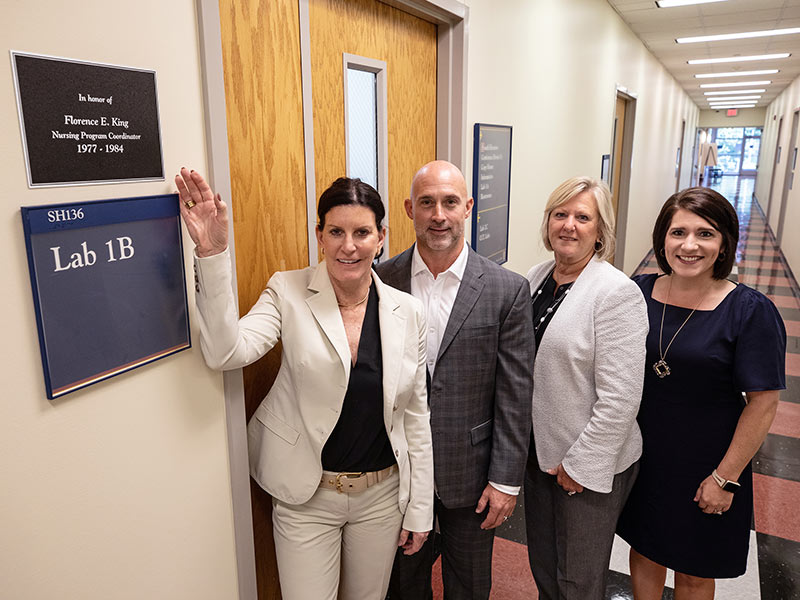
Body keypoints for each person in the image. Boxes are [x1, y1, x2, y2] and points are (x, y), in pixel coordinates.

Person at [174, 168, 433, 600]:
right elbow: (225, 353)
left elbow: (416, 415)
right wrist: (213, 253)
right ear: (320, 235)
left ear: (381, 236)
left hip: (382, 497)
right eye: (336, 231)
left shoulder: (407, 311)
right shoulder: (287, 291)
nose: (348, 246)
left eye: (362, 232)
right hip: (308, 496)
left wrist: (420, 507)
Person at [375, 160, 534, 599]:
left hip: (473, 473)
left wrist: (505, 480)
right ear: (409, 209)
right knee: (404, 583)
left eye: (449, 203)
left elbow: (515, 395)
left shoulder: (507, 289)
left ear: (468, 207)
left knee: (468, 583)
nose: (438, 215)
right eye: (427, 203)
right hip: (400, 471)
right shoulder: (381, 281)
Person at [617, 187, 786, 600]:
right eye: (678, 232)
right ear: (662, 239)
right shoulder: (637, 292)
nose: (689, 245)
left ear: (725, 241)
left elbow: (763, 404)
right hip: (643, 457)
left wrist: (724, 478)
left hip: (707, 463)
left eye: (705, 234)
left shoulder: (749, 311)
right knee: (644, 551)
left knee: (694, 569)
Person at [524, 176, 648, 600]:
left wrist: (582, 465)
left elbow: (622, 398)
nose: (569, 225)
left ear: (600, 231)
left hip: (587, 463)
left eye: (583, 217)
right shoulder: (537, 277)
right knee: (543, 564)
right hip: (541, 453)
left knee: (577, 579)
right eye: (561, 214)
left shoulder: (617, 293)